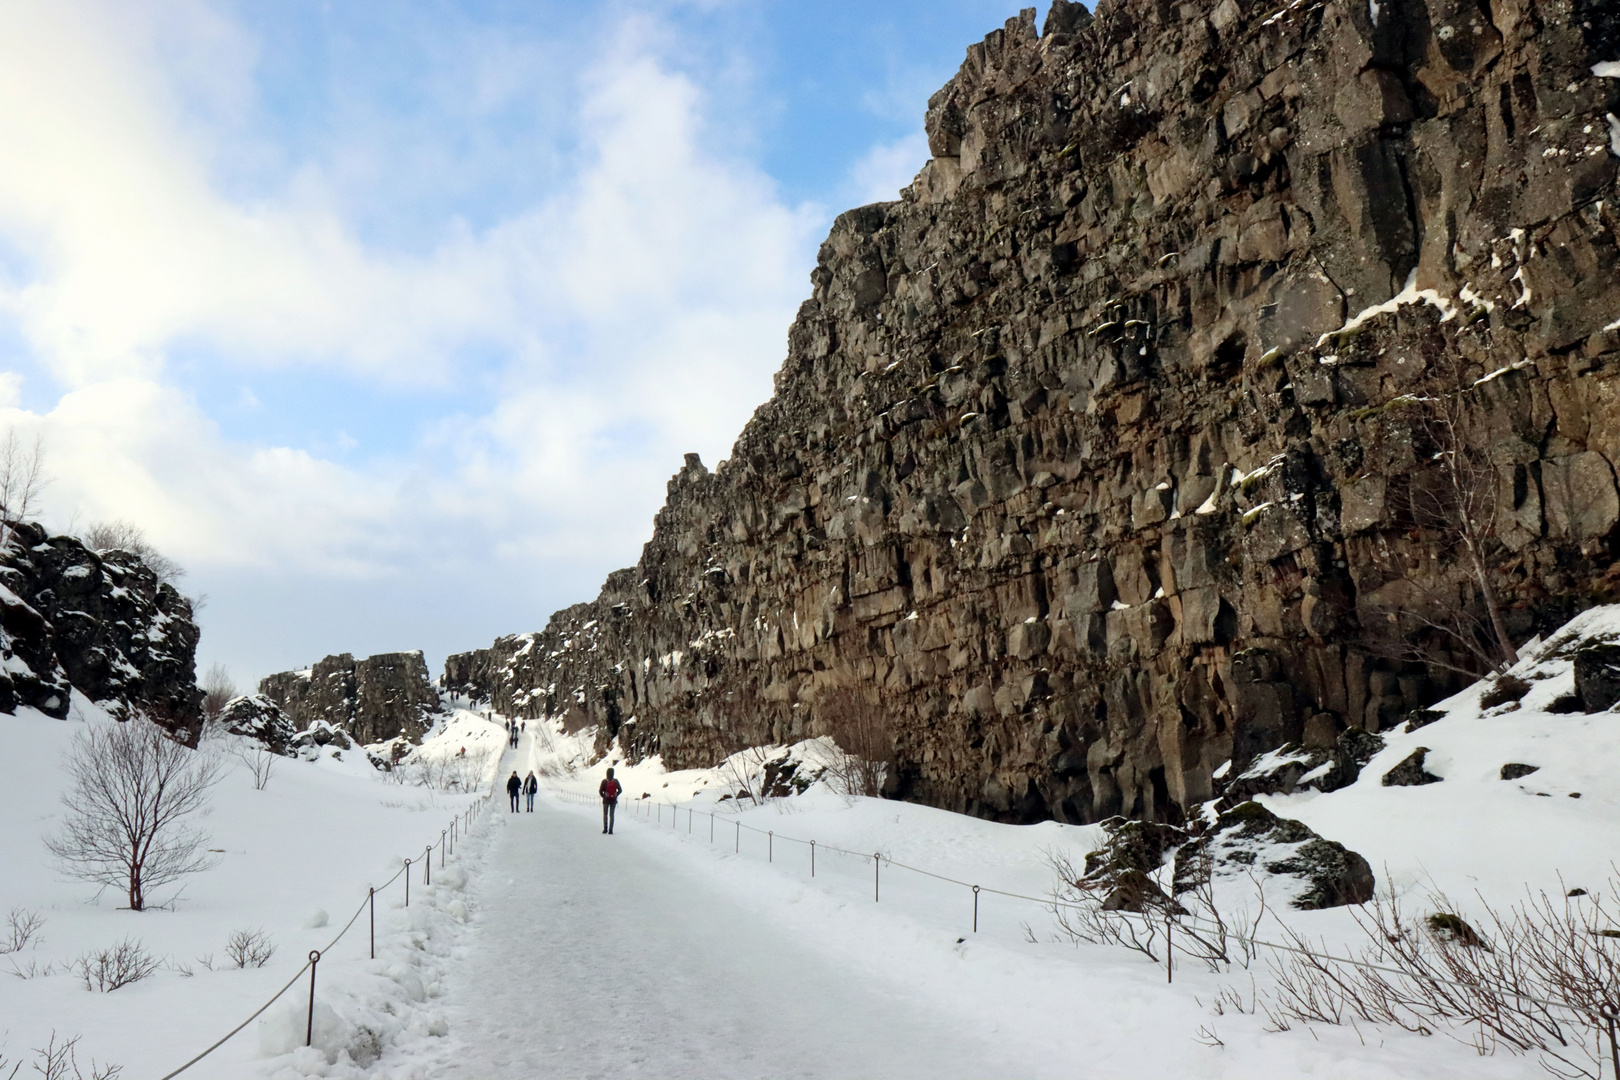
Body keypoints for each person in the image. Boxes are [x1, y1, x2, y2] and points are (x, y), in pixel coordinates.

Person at [598, 767, 622, 834]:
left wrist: (604, 796)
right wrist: (615, 794)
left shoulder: (604, 781)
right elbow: (620, 790)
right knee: (612, 815)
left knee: (605, 814)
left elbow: (600, 791)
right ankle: (611, 830)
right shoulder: (616, 781)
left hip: (606, 800)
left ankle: (605, 829)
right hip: (613, 800)